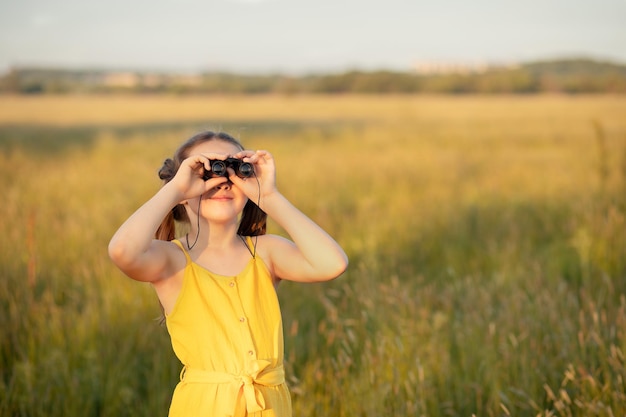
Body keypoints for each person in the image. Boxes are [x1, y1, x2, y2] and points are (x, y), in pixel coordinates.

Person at [108, 131, 348, 417]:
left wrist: (268, 195)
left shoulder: (265, 252)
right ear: (184, 191)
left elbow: (332, 263)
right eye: (205, 171)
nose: (221, 181)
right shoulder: (172, 261)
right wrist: (176, 190)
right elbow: (122, 251)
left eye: (234, 170)